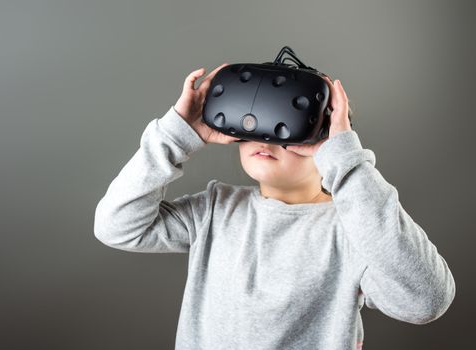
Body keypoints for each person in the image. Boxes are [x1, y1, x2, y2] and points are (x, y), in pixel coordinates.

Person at [93, 63, 456, 349]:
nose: (269, 137)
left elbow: (425, 300)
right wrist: (176, 134)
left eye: (292, 129)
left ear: (329, 141)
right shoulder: (216, 211)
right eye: (258, 122)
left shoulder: (353, 230)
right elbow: (117, 225)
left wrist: (346, 162)